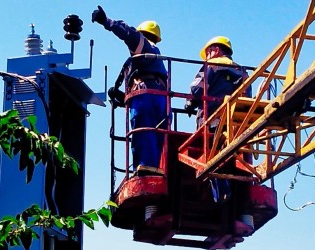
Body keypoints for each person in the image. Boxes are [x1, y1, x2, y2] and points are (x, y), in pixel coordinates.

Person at [92, 6, 169, 172]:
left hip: (145, 96)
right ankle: (156, 167)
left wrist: (106, 22)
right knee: (157, 135)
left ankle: (146, 166)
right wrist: (122, 96)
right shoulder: (155, 59)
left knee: (142, 131)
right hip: (160, 99)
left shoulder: (143, 45)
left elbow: (128, 33)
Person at [185, 36, 248, 203]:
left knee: (212, 159)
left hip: (212, 122)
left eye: (207, 52)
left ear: (216, 50)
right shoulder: (242, 71)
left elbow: (196, 89)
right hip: (236, 124)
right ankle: (234, 191)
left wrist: (190, 103)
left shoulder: (211, 66)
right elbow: (247, 98)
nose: (206, 56)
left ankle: (219, 194)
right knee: (230, 156)